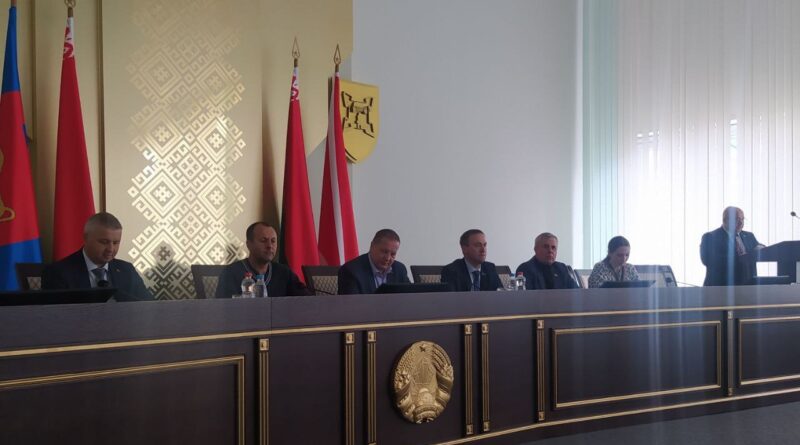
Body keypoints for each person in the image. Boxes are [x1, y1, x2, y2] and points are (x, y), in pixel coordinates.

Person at [42, 212, 153, 301]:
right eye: (104, 242)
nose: (111, 249)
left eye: (115, 243)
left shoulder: (127, 270)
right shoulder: (58, 273)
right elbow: (55, 316)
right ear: (86, 238)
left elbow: (149, 306)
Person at [215, 222, 309, 298]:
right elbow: (224, 309)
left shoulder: (284, 272)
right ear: (249, 244)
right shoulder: (231, 273)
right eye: (263, 240)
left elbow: (307, 300)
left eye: (273, 241)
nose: (269, 246)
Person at [700, 206, 764, 286]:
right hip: (721, 287)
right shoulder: (711, 237)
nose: (741, 223)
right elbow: (708, 260)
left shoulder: (749, 236)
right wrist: (742, 257)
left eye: (742, 219)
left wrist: (761, 249)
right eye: (737, 219)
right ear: (725, 220)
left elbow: (760, 249)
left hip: (748, 286)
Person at [338, 229, 411, 295]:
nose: (388, 258)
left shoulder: (400, 269)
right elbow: (352, 304)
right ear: (372, 246)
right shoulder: (351, 271)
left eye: (393, 254)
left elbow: (410, 297)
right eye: (384, 252)